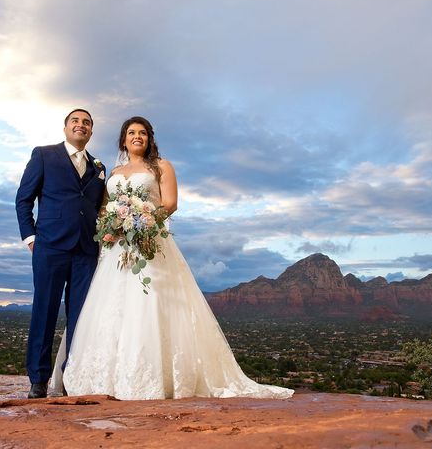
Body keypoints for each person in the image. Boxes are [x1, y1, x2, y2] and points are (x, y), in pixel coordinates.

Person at [50, 116, 293, 400]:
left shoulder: (162, 166)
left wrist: (144, 221)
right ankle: (108, 378)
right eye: (131, 132)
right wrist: (112, 226)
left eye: (142, 133)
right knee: (111, 308)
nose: (137, 136)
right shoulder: (114, 170)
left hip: (150, 242)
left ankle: (156, 376)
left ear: (150, 138)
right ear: (123, 140)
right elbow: (105, 207)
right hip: (118, 249)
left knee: (150, 303)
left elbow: (170, 203)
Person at [15, 108, 105, 399]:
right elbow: (24, 199)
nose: (81, 125)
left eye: (87, 123)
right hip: (50, 247)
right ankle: (38, 380)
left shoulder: (97, 167)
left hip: (86, 251)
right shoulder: (43, 155)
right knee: (45, 312)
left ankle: (69, 376)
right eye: (76, 121)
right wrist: (31, 237)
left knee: (81, 317)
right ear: (66, 127)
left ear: (91, 131)